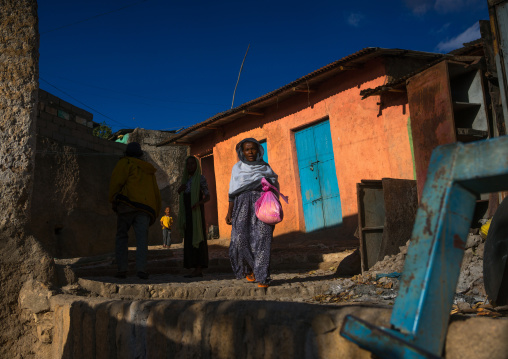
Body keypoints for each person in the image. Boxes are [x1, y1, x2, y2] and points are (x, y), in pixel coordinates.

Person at [226, 138, 279, 288]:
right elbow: (232, 192)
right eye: (247, 149)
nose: (250, 152)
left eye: (253, 149)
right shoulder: (237, 168)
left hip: (263, 204)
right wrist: (229, 212)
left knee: (263, 238)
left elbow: (275, 187)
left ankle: (262, 277)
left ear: (258, 150)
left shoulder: (265, 167)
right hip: (241, 205)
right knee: (240, 239)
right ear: (242, 152)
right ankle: (252, 268)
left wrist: (276, 206)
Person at [109, 142, 161, 280]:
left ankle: (122, 269)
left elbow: (116, 182)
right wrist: (155, 209)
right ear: (140, 155)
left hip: (126, 205)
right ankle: (141, 270)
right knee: (142, 240)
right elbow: (156, 192)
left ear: (126, 153)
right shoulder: (148, 169)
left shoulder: (124, 163)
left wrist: (113, 199)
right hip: (144, 209)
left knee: (121, 237)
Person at [178, 156, 210, 278]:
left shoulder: (201, 179)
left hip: (196, 214)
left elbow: (208, 196)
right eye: (188, 164)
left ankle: (199, 268)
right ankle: (193, 267)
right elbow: (184, 196)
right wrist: (179, 190)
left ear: (197, 165)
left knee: (198, 238)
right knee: (189, 239)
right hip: (187, 215)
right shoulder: (185, 181)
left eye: (192, 164)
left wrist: (198, 203)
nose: (190, 166)